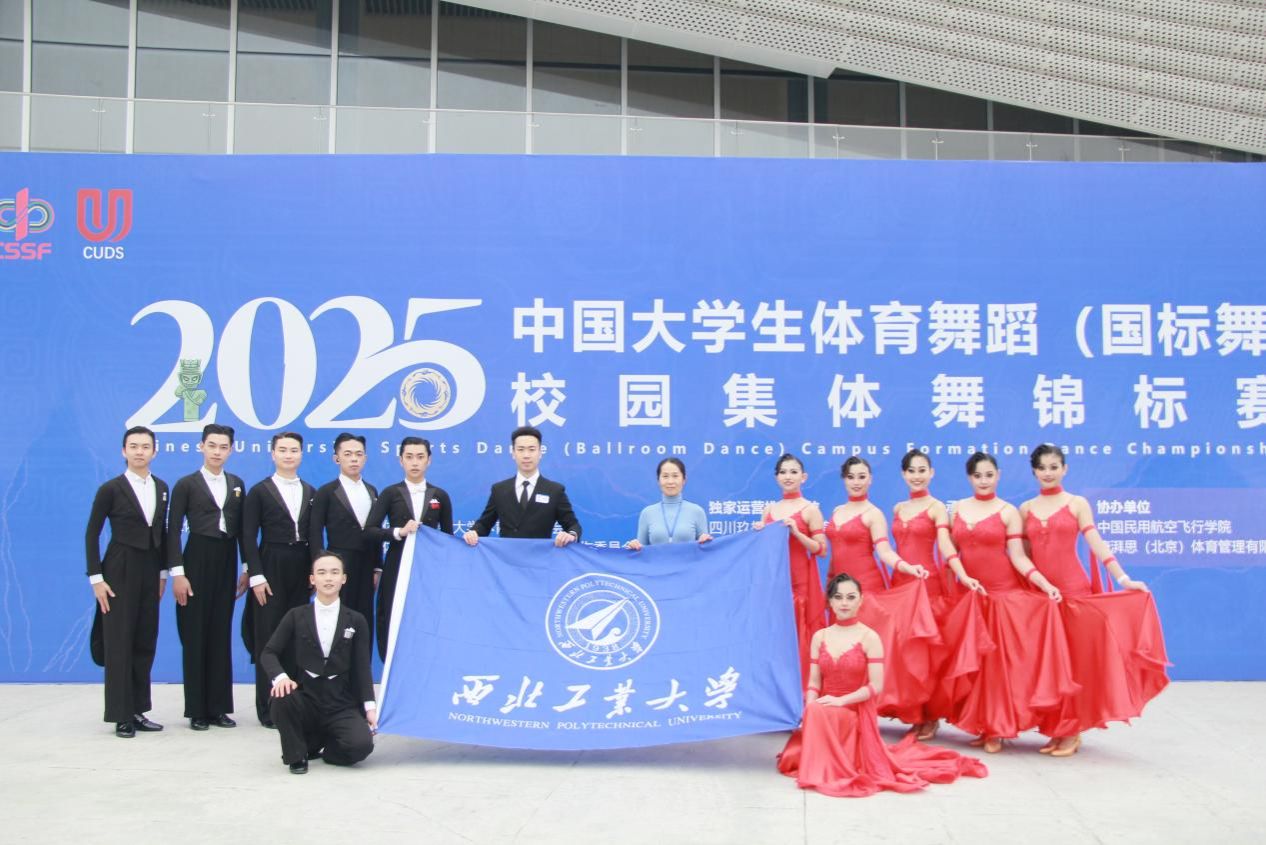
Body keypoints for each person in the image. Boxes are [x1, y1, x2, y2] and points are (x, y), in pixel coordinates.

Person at [777, 573, 987, 797]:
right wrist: (810, 705)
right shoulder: (820, 636)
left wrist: (840, 701)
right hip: (825, 706)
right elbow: (813, 682)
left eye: (850, 597)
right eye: (838, 597)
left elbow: (875, 687)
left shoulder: (870, 637)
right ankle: (821, 764)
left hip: (853, 709)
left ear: (861, 600)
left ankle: (822, 768)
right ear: (830, 601)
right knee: (814, 711)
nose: (844, 603)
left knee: (818, 712)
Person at [1021, 444, 1170, 757]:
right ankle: (1056, 728)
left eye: (1054, 466)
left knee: (1075, 664)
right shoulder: (1026, 509)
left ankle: (1072, 731)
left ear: (1065, 468)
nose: (1048, 473)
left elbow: (1097, 544)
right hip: (1043, 597)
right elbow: (1023, 556)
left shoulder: (1076, 504)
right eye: (1042, 467)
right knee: (1051, 665)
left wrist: (1123, 578)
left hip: (1074, 593)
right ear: (1034, 471)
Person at [936, 452, 1073, 754]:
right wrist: (960, 578)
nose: (983, 481)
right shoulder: (957, 509)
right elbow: (949, 548)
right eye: (977, 476)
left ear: (998, 475)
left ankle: (997, 729)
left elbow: (1019, 557)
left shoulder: (1008, 511)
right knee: (978, 667)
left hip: (1002, 596)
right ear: (969, 478)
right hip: (970, 595)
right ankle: (984, 724)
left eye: (989, 475)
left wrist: (1044, 584)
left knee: (999, 668)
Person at [823, 457, 940, 729]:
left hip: (866, 591)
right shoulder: (837, 511)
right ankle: (847, 714)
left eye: (862, 476)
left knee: (867, 655)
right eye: (851, 476)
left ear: (870, 479)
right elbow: (835, 555)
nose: (856, 482)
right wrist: (829, 588)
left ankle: (901, 713)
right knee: (842, 656)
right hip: (839, 593)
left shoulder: (873, 513)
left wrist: (907, 567)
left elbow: (884, 551)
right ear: (844, 479)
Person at [85, 426, 169, 738]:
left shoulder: (161, 487)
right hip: (119, 568)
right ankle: (121, 715)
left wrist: (162, 574)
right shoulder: (110, 489)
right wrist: (96, 578)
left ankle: (138, 710)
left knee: (144, 640)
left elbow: (161, 533)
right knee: (119, 643)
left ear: (154, 451)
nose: (139, 451)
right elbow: (92, 533)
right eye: (133, 446)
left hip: (150, 569)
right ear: (124, 451)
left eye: (145, 446)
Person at [260, 551, 376, 774]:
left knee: (360, 746)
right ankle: (297, 756)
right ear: (312, 579)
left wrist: (369, 707)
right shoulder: (296, 615)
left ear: (344, 578)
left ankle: (326, 749)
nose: (328, 578)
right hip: (307, 697)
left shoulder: (356, 620)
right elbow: (269, 652)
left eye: (334, 572)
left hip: (341, 701)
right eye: (322, 573)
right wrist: (281, 678)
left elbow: (363, 667)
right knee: (281, 697)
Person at [890, 450, 978, 740]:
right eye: (911, 471)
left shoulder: (937, 507)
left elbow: (945, 545)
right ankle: (913, 711)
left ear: (932, 473)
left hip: (927, 585)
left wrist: (962, 573)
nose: (917, 476)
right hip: (901, 584)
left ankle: (930, 715)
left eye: (922, 470)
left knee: (926, 652)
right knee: (905, 652)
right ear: (903, 474)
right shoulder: (898, 508)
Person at [167, 423, 247, 731]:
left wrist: (246, 567)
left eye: (223, 447)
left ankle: (218, 707)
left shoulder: (237, 483)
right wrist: (178, 573)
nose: (217, 452)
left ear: (231, 450)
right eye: (212, 445)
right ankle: (197, 710)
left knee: (219, 634)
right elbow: (173, 531)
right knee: (195, 635)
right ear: (201, 446)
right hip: (196, 559)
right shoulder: (186, 484)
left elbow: (243, 530)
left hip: (227, 560)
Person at [241, 432, 316, 727]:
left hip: (301, 564)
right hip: (270, 563)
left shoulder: (310, 491)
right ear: (273, 454)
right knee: (269, 636)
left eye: (294, 450)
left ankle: (294, 706)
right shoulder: (260, 491)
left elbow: (314, 536)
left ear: (301, 455)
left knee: (298, 635)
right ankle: (268, 708)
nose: (288, 455)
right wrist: (256, 576)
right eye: (282, 450)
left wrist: (315, 570)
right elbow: (248, 536)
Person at [365, 437, 453, 661]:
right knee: (390, 613)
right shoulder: (390, 493)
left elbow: (448, 539)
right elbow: (370, 531)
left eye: (420, 457)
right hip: (396, 564)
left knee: (427, 615)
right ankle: (390, 665)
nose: (415, 462)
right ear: (401, 460)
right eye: (409, 457)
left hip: (429, 569)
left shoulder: (440, 495)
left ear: (429, 460)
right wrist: (398, 532)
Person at [753, 453, 825, 689]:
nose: (788, 476)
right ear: (776, 477)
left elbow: (821, 549)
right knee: (776, 636)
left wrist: (797, 533)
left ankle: (803, 692)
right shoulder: (769, 510)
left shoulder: (810, 510)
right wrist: (758, 534)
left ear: (803, 477)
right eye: (783, 472)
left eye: (793, 472)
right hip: (775, 583)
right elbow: (762, 551)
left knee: (800, 637)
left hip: (800, 582)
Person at [309, 433, 382, 658]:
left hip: (366, 564)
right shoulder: (326, 492)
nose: (354, 459)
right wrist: (320, 568)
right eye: (348, 454)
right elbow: (315, 531)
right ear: (336, 458)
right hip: (338, 564)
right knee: (339, 618)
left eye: (359, 454)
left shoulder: (372, 491)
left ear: (365, 458)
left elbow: (376, 531)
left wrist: (377, 566)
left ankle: (362, 671)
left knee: (364, 618)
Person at [463, 425, 581, 546]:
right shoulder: (499, 490)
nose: (526, 455)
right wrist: (473, 532)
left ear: (540, 452)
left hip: (540, 556)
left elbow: (573, 525)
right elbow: (484, 524)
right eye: (521, 449)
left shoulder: (554, 491)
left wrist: (571, 535)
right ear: (513, 453)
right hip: (506, 556)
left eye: (531, 449)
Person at [624, 458, 712, 550]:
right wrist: (634, 546)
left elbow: (704, 552)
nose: (670, 481)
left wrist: (705, 541)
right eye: (665, 476)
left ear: (684, 480)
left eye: (675, 476)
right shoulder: (647, 513)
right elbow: (641, 551)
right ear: (658, 480)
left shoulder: (697, 511)